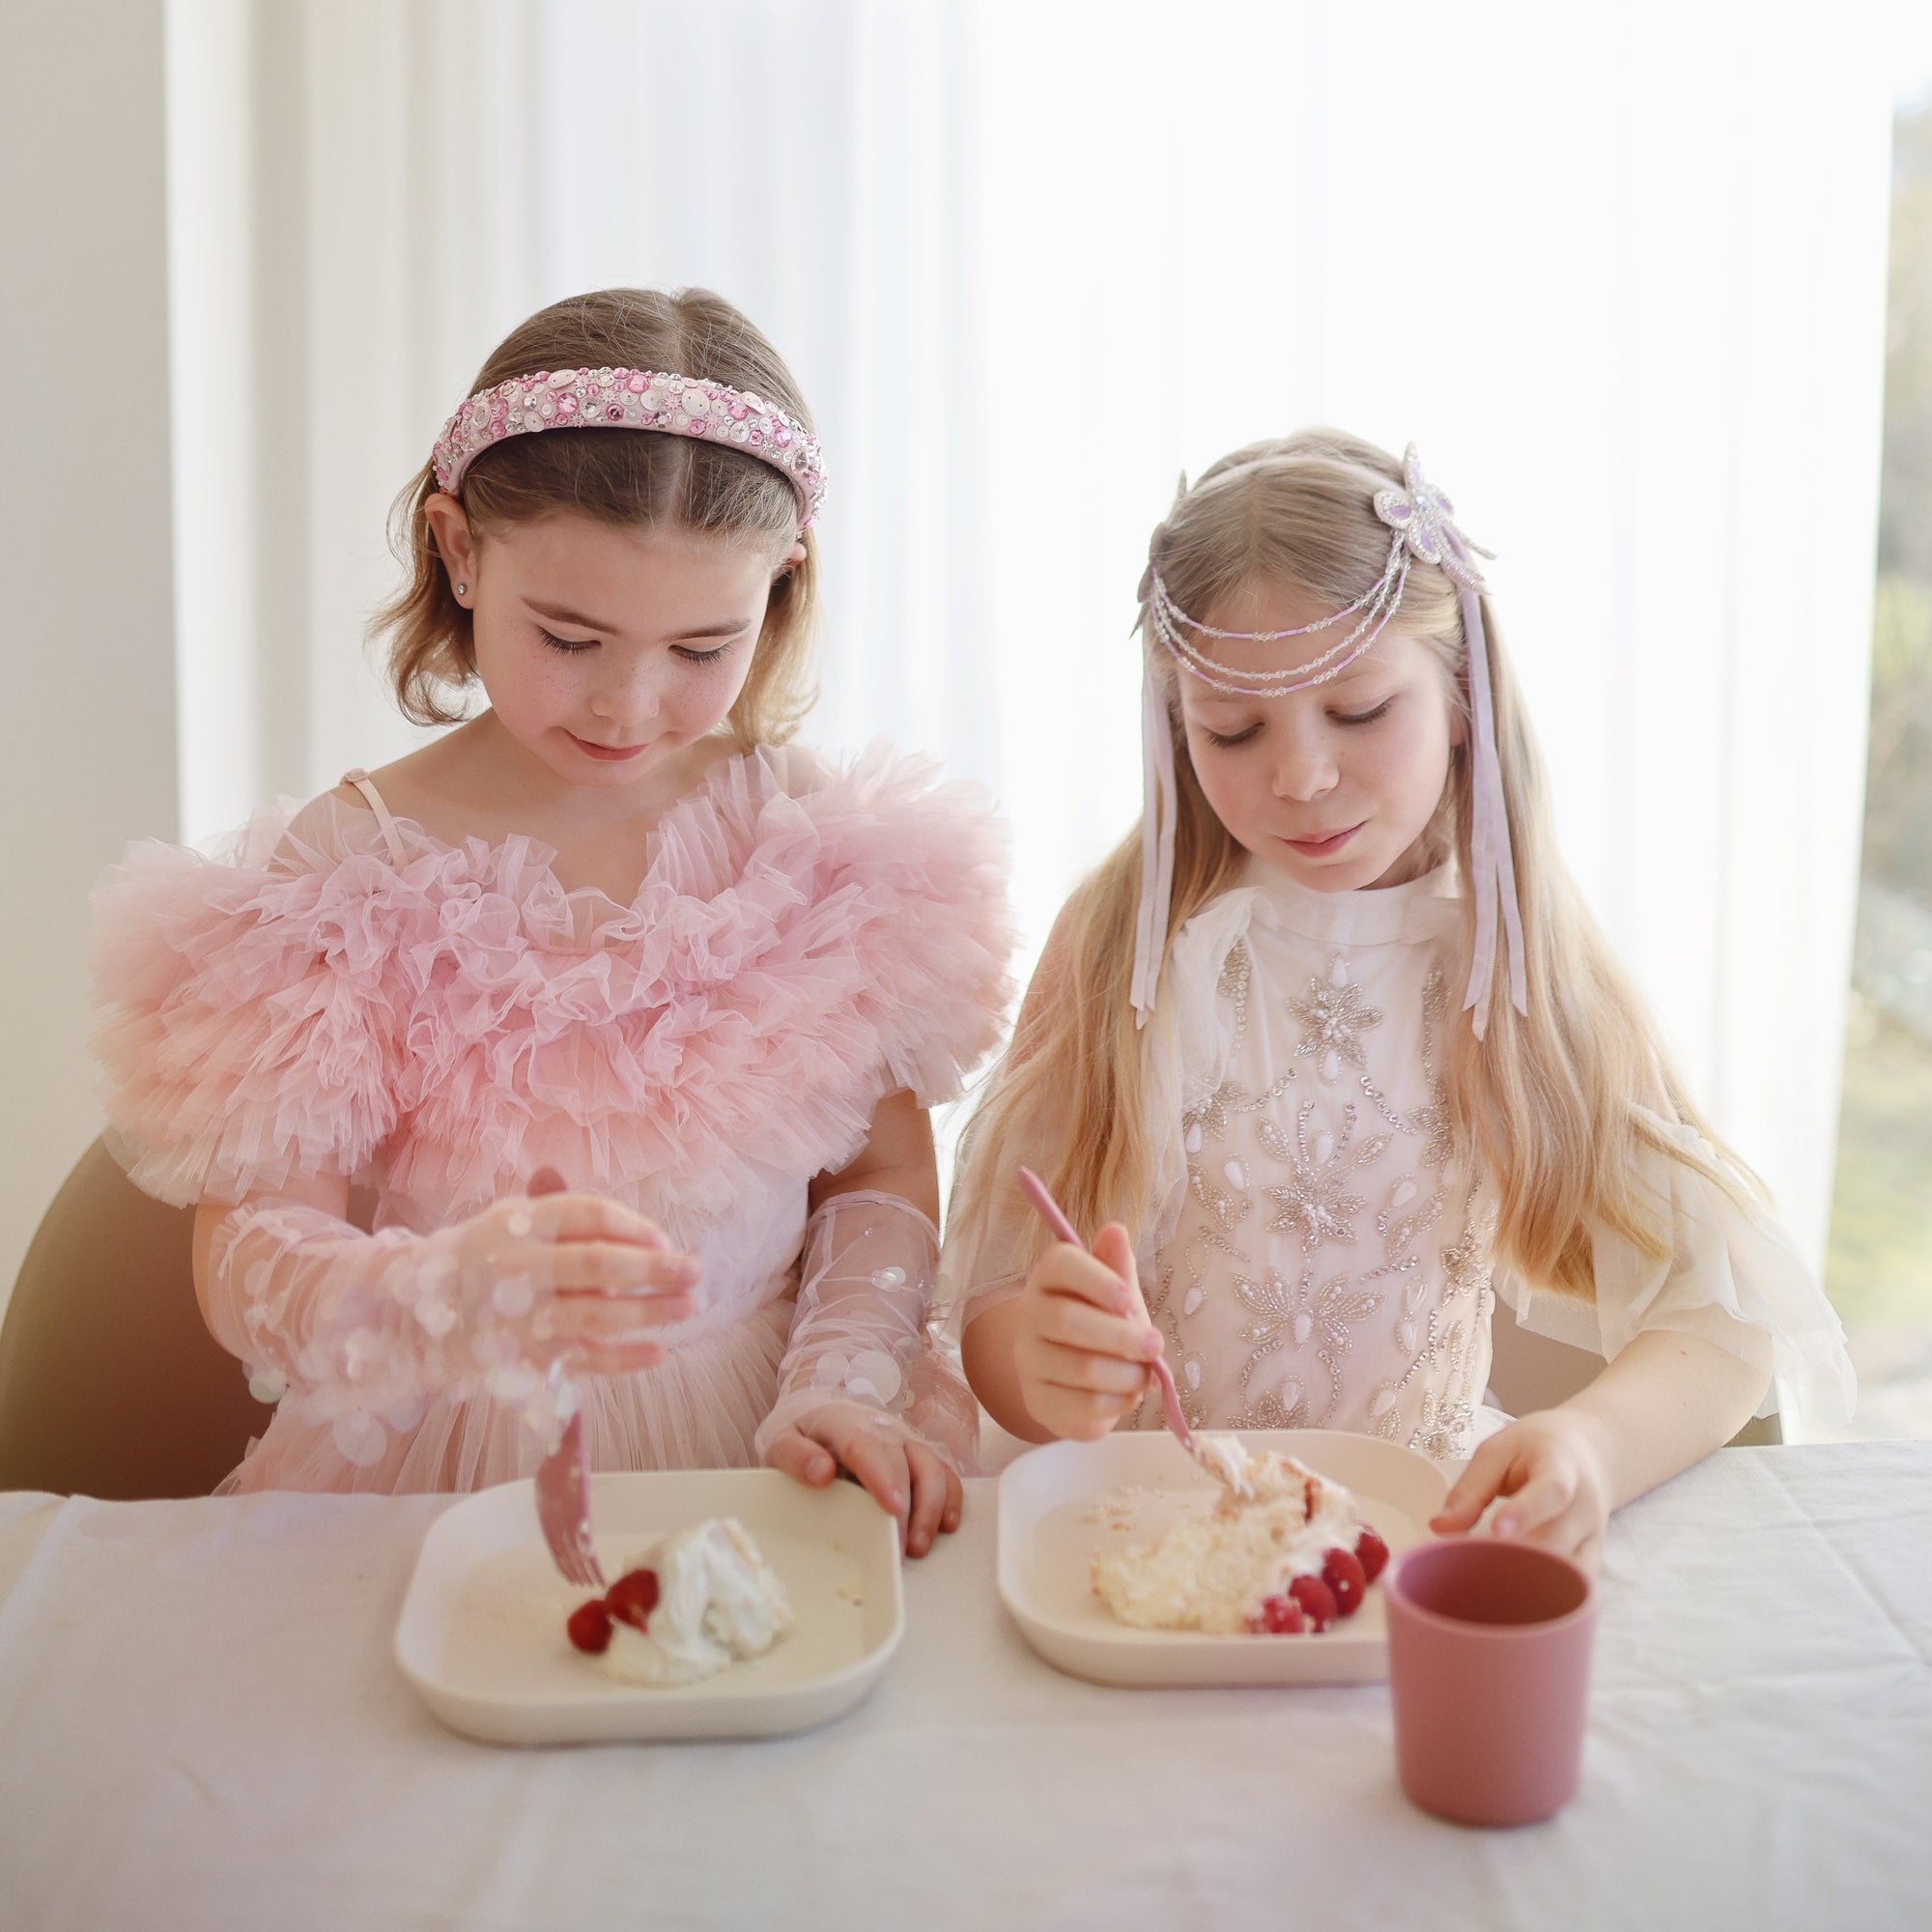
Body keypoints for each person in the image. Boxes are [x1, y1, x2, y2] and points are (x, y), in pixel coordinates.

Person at [92, 287, 1012, 1555]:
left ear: (782, 585)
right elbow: (246, 1256)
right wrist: (440, 1296)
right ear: (460, 549)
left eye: (703, 646)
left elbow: (880, 1174)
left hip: (759, 1448)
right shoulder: (340, 875)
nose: (629, 705)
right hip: (447, 1473)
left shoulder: (823, 853)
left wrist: (843, 1381)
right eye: (571, 637)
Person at [946, 431, 1854, 1566]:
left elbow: (1724, 1313)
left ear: (1462, 693)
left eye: (1361, 711)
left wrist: (1590, 1444)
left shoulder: (1517, 962)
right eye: (1230, 730)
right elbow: (984, 1298)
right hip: (1130, 1542)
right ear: (1173, 728)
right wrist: (1036, 1361)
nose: (1301, 776)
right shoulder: (1121, 948)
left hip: (1401, 1553)